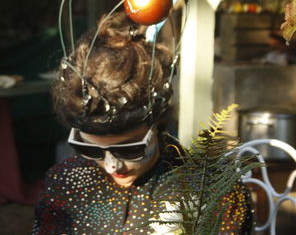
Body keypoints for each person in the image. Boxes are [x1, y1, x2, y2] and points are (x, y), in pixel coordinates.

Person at [32, 12, 253, 234]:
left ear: (157, 123)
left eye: (129, 150)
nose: (112, 166)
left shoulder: (214, 191)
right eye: (90, 149)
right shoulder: (66, 182)